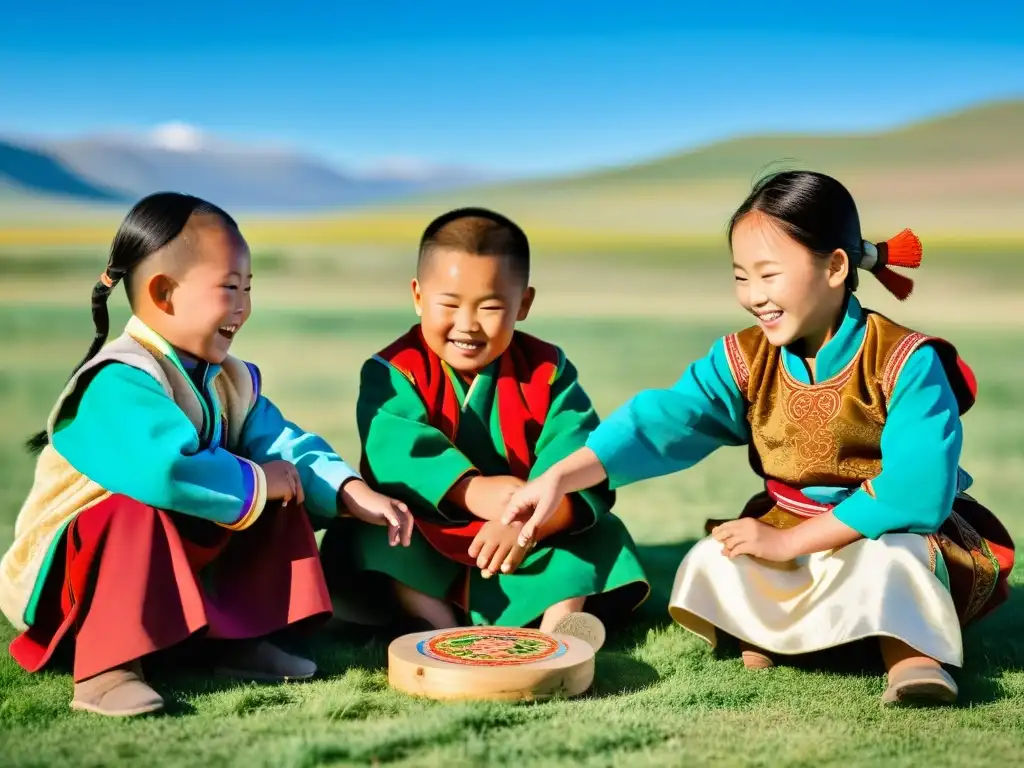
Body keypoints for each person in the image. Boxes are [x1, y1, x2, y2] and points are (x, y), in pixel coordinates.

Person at [503, 171, 1014, 706]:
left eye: (769, 275)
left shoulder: (908, 360)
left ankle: (909, 657)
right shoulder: (745, 356)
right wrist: (559, 478)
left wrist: (790, 544)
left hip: (891, 529)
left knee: (893, 559)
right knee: (714, 557)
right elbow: (663, 421)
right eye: (742, 277)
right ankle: (792, 638)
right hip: (786, 520)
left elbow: (916, 491)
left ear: (836, 266)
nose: (753, 297)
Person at [0, 192, 412, 717]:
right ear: (164, 293)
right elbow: (163, 472)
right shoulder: (117, 381)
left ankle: (240, 637)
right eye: (228, 288)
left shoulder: (227, 379)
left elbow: (280, 441)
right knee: (140, 508)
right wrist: (259, 480)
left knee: (280, 480)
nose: (242, 305)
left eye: (248, 288)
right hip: (75, 582)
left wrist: (350, 491)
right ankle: (107, 667)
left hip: (164, 559)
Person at [321, 207, 649, 637]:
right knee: (374, 535)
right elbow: (396, 453)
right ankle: (433, 624)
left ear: (524, 304)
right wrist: (474, 491)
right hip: (430, 530)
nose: (468, 325)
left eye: (491, 306)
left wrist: (524, 522)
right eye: (450, 304)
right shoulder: (393, 370)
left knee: (599, 535)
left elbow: (575, 453)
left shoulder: (547, 370)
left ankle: (561, 630)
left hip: (529, 530)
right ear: (418, 296)